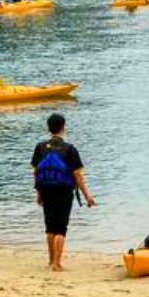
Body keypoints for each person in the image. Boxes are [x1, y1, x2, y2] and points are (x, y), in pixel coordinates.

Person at [31, 112, 93, 271]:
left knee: (50, 226)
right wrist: (87, 196)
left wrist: (38, 193)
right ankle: (57, 264)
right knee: (61, 228)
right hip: (64, 191)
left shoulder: (40, 147)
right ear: (63, 127)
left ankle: (51, 261)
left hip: (45, 189)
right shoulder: (69, 149)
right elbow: (77, 176)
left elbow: (36, 172)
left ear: (48, 128)